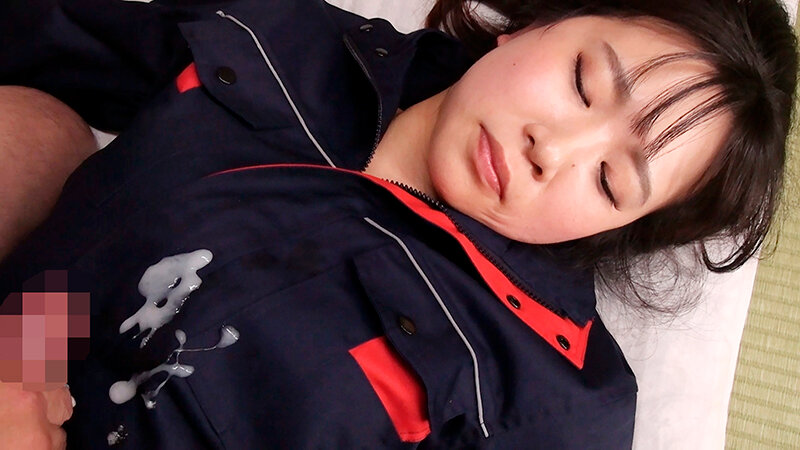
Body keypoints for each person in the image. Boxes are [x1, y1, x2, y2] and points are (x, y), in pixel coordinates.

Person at [0, 0, 795, 448]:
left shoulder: (554, 402)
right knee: (34, 133)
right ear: (537, 20)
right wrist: (18, 368)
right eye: (584, 82)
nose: (551, 150)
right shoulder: (278, 47)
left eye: (610, 180)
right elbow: (45, 38)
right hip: (19, 346)